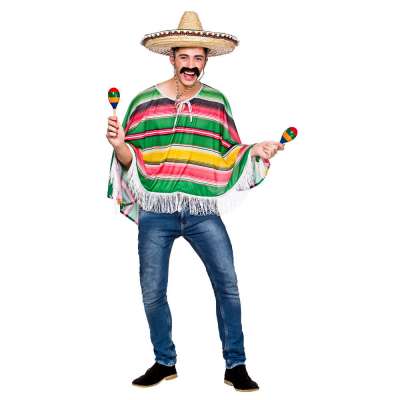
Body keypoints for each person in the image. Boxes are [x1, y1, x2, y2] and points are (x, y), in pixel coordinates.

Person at [106, 11, 284, 392]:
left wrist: (255, 149)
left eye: (198, 58)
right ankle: (163, 361)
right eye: (184, 57)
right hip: (157, 211)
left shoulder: (216, 102)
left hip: (202, 211)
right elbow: (130, 159)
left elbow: (228, 150)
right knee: (152, 290)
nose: (191, 65)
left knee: (228, 285)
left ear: (206, 60)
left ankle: (235, 365)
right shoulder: (145, 102)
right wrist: (119, 144)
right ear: (171, 57)